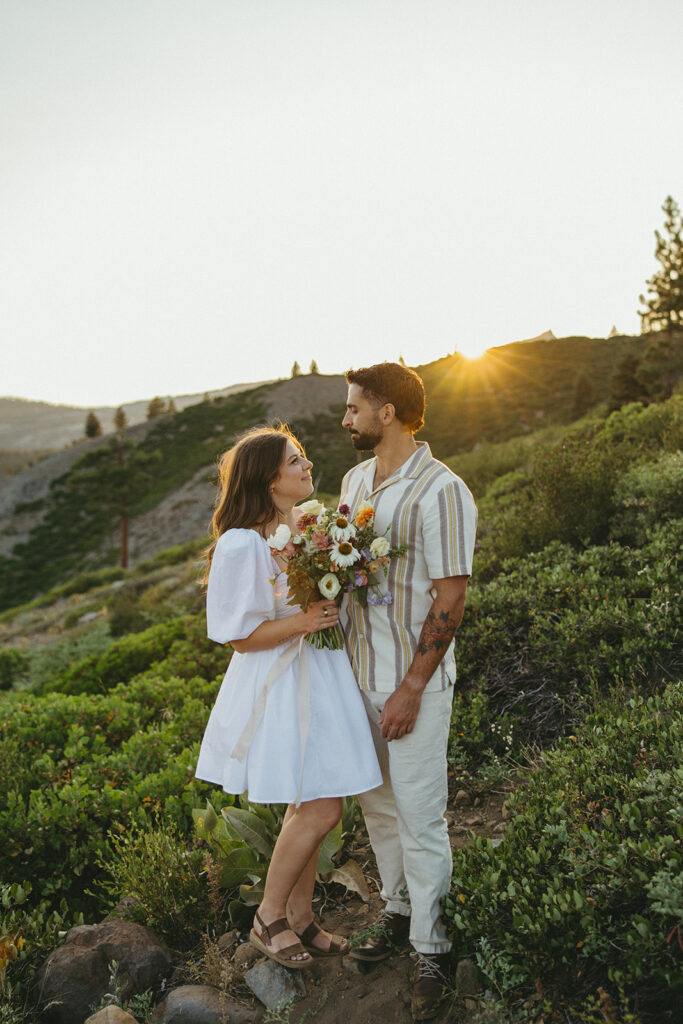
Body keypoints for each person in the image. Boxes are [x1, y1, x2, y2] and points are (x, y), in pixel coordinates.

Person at [196, 424, 382, 968]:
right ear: (268, 478)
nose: (306, 466)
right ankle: (268, 917)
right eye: (294, 460)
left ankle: (301, 917)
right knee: (321, 804)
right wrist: (304, 620)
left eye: (302, 457)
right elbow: (238, 636)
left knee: (319, 799)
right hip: (280, 681)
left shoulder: (307, 526)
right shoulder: (242, 544)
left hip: (322, 673)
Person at [339, 362, 477, 1021]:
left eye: (353, 408)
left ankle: (432, 946)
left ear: (386, 413)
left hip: (410, 684)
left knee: (420, 814)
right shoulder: (353, 481)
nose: (346, 419)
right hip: (355, 676)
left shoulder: (442, 491)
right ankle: (398, 908)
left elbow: (450, 597)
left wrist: (412, 687)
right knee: (379, 807)